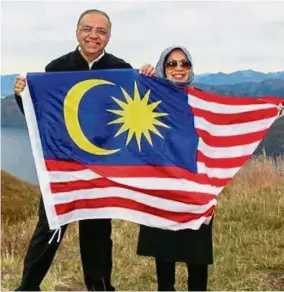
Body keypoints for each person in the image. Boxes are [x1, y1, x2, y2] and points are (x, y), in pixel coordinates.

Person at [13, 9, 131, 291]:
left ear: (109, 37)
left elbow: (135, 112)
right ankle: (28, 287)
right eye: (87, 29)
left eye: (101, 31)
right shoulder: (57, 68)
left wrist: (151, 75)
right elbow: (40, 113)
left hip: (101, 165)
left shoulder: (122, 70)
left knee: (98, 232)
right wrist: (22, 96)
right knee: (50, 227)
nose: (94, 36)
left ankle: (101, 287)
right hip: (62, 165)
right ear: (77, 32)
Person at [138, 46, 213, 291]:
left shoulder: (202, 101)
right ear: (163, 67)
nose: (178, 69)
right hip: (164, 189)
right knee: (165, 258)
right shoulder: (149, 100)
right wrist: (143, 78)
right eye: (171, 64)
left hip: (195, 191)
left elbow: (220, 137)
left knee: (197, 260)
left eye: (184, 64)